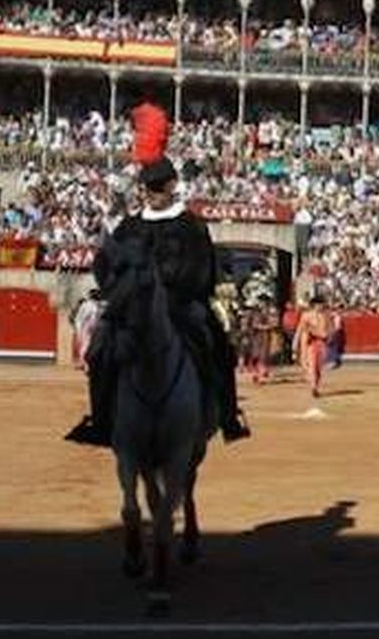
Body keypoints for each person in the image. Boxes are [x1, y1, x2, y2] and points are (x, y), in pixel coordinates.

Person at [63, 155, 250, 446]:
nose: (152, 194)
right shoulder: (131, 225)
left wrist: (170, 290)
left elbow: (201, 269)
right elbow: (104, 262)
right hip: (134, 305)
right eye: (148, 188)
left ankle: (228, 417)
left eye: (158, 188)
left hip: (180, 304)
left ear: (172, 186)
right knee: (99, 350)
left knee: (218, 346)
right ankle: (101, 422)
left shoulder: (191, 226)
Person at [295, 294, 336, 398]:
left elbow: (331, 329)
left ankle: (315, 385)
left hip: (322, 343)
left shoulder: (326, 316)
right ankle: (313, 387)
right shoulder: (306, 315)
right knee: (312, 365)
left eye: (322, 304)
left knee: (318, 367)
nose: (320, 306)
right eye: (319, 304)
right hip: (310, 343)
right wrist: (296, 343)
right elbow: (302, 329)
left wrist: (329, 337)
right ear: (314, 305)